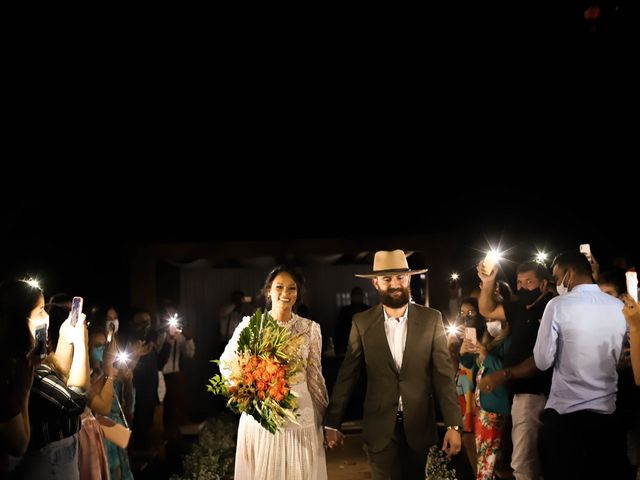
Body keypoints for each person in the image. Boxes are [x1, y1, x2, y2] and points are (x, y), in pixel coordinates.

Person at [324, 250, 462, 480]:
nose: (395, 284)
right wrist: (333, 423)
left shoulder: (431, 319)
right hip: (379, 429)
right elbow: (348, 375)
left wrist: (453, 425)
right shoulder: (362, 322)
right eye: (387, 279)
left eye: (400, 277)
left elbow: (443, 376)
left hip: (420, 428)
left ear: (408, 279)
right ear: (376, 283)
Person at [219, 265, 329, 480]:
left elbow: (315, 376)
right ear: (268, 291)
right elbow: (227, 363)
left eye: (292, 288)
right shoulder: (251, 326)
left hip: (301, 416)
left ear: (298, 293)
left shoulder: (310, 329)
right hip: (263, 415)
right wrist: (249, 390)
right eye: (279, 287)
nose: (285, 294)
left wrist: (326, 418)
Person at [533, 251, 629, 480]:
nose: (557, 284)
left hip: (565, 418)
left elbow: (542, 361)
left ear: (569, 274)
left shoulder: (557, 305)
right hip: (607, 416)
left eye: (557, 278)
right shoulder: (619, 307)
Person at [477, 261, 553, 480]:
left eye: (529, 282)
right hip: (519, 392)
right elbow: (487, 309)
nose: (523, 287)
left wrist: (504, 373)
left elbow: (541, 358)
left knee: (523, 463)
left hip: (537, 391)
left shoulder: (552, 307)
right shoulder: (519, 307)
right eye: (519, 282)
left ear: (543, 283)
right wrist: (488, 281)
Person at [9, 279, 90, 480]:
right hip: (45, 464)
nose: (46, 317)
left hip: (59, 459)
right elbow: (75, 400)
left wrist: (65, 337)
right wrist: (81, 343)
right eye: (39, 312)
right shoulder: (20, 365)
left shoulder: (34, 357)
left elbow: (57, 372)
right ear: (18, 320)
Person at [0, 280, 38, 475]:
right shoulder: (6, 373)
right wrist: (24, 393)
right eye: (40, 311)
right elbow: (20, 444)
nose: (46, 318)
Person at [334, 286, 370, 354]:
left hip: (365, 347)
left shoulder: (369, 310)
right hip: (347, 345)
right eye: (355, 295)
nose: (357, 297)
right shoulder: (345, 311)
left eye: (358, 294)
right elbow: (340, 330)